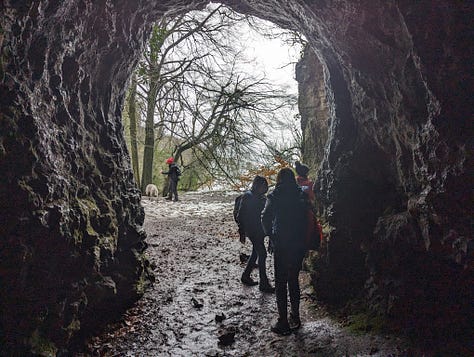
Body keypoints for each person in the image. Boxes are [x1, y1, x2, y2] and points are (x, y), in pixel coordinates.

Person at [261, 167, 311, 335]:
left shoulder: (274, 195)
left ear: (279, 179)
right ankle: (295, 316)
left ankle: (283, 320)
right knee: (293, 279)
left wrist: (270, 234)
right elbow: (307, 217)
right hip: (298, 243)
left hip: (281, 243)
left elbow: (265, 216)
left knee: (280, 282)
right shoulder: (301, 194)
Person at [236, 176, 275, 293]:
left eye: (266, 186)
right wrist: (242, 231)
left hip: (258, 230)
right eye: (263, 186)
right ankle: (263, 283)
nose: (265, 188)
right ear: (257, 185)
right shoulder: (248, 196)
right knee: (262, 253)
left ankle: (246, 275)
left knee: (256, 252)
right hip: (252, 230)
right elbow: (240, 215)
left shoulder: (260, 197)